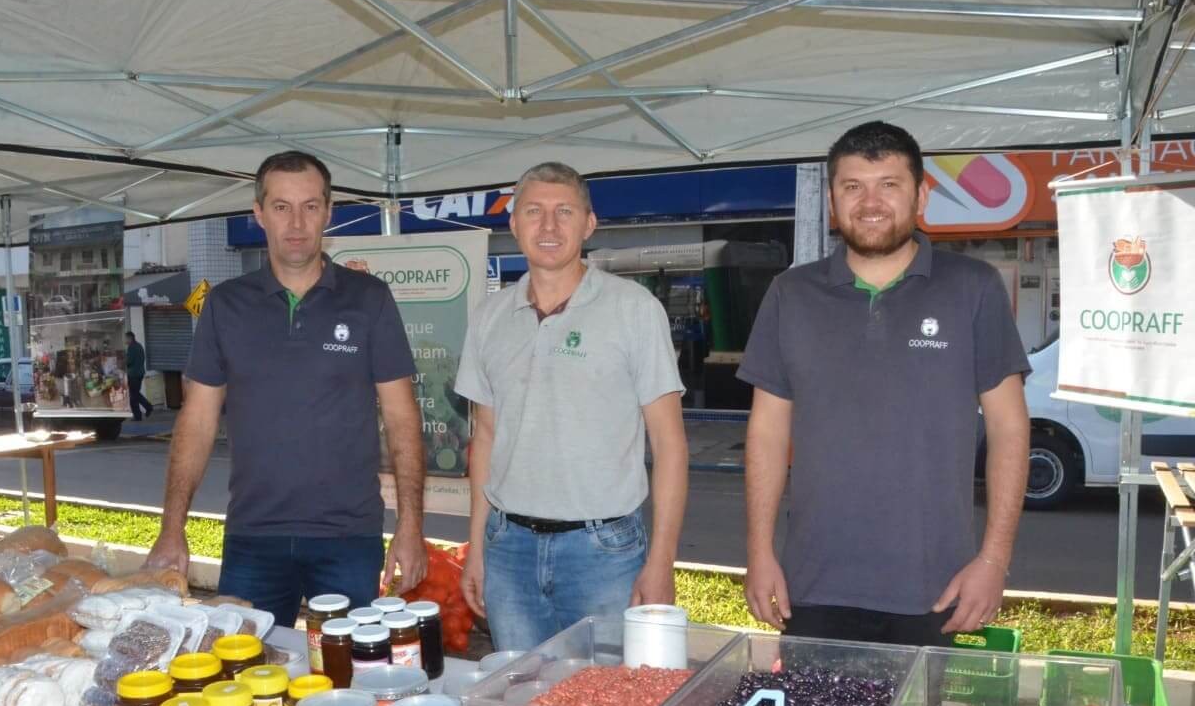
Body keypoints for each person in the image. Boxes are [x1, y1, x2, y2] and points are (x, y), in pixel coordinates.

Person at [739, 121, 1031, 647]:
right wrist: (759, 552)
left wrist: (994, 559)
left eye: (889, 185)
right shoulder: (790, 294)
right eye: (852, 186)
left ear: (922, 195)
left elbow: (1010, 429)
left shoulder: (974, 289)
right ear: (832, 200)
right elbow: (766, 431)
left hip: (935, 589)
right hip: (814, 586)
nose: (870, 202)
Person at [144, 150, 428, 626]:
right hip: (253, 538)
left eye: (310, 206)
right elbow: (197, 421)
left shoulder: (369, 299)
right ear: (259, 214)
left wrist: (411, 525)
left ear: (328, 212)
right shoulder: (225, 305)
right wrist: (172, 528)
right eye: (281, 207)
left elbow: (402, 418)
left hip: (348, 537)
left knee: (348, 669)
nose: (296, 223)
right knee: (246, 666)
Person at [456, 161, 689, 652]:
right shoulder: (489, 317)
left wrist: (662, 562)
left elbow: (669, 445)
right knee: (521, 693)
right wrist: (476, 548)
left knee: (607, 698)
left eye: (564, 212)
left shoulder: (634, 310)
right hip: (508, 551)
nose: (548, 226)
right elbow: (486, 438)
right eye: (533, 211)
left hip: (604, 555)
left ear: (589, 224)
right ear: (513, 223)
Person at [125, 331, 153, 421]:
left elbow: (129, 361)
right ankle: (145, 409)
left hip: (133, 374)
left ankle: (141, 413)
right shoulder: (139, 346)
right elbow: (143, 358)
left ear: (130, 338)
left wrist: (124, 361)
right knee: (135, 394)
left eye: (126, 338)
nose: (125, 340)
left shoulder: (131, 347)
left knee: (133, 396)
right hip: (140, 373)